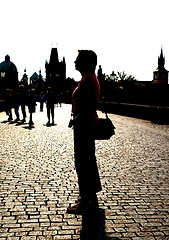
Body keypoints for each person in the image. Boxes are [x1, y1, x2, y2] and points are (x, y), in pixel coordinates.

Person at [67, 50, 102, 214]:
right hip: (84, 123)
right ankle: (90, 199)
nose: (74, 62)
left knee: (83, 162)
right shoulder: (88, 78)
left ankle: (86, 201)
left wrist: (77, 117)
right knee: (87, 161)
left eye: (78, 60)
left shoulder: (88, 79)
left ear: (87, 63)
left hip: (84, 125)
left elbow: (87, 105)